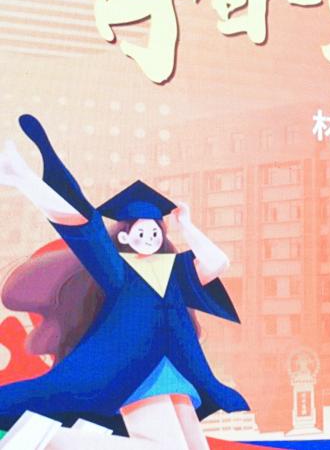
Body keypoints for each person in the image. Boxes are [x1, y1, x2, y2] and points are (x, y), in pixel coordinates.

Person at [0, 114, 247, 449]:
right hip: (133, 371)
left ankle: (50, 436)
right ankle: (43, 437)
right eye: (141, 232)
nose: (150, 237)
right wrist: (26, 180)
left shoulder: (175, 272)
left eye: (155, 232)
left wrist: (187, 225)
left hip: (174, 369)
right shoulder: (119, 271)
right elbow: (83, 227)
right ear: (126, 238)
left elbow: (218, 262)